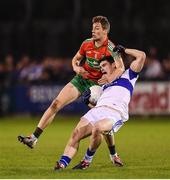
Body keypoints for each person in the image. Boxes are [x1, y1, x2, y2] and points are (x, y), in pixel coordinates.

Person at [17, 16, 125, 165]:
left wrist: (110, 78)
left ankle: (113, 154)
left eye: (97, 28)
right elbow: (75, 60)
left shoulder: (111, 48)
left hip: (97, 88)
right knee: (55, 103)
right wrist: (76, 68)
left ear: (105, 30)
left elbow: (121, 68)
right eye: (92, 28)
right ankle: (33, 138)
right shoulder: (87, 43)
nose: (93, 31)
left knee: (101, 124)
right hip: (81, 80)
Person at [54, 47, 146, 170]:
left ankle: (86, 161)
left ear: (114, 65)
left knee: (98, 127)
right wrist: (87, 102)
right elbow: (97, 106)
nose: (101, 68)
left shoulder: (128, 75)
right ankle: (62, 164)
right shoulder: (103, 85)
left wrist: (124, 50)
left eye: (104, 65)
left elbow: (142, 56)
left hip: (115, 113)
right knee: (76, 134)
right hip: (97, 110)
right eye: (100, 66)